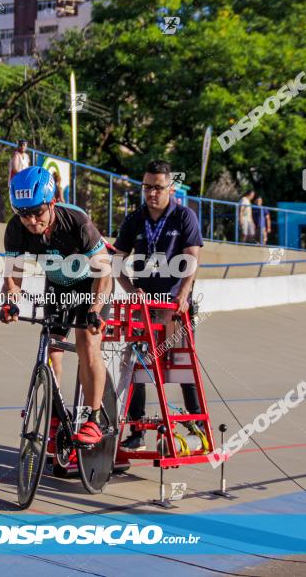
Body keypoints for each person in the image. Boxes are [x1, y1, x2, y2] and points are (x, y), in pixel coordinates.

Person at [0, 166, 112, 446]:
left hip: (90, 286)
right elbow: (13, 277)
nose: (32, 220)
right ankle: (56, 417)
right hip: (58, 286)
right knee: (53, 351)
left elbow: (105, 271)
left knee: (87, 346)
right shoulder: (16, 229)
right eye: (24, 214)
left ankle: (95, 418)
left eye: (38, 212)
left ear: (51, 203)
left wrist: (94, 310)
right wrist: (9, 303)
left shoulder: (76, 221)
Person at [113, 160, 203, 451]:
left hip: (174, 307)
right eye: (147, 187)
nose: (151, 193)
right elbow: (116, 261)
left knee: (181, 366)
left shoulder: (184, 216)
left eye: (158, 187)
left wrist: (183, 294)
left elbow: (191, 258)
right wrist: (130, 289)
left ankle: (196, 425)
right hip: (145, 305)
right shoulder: (135, 218)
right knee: (136, 367)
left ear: (171, 188)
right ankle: (136, 431)